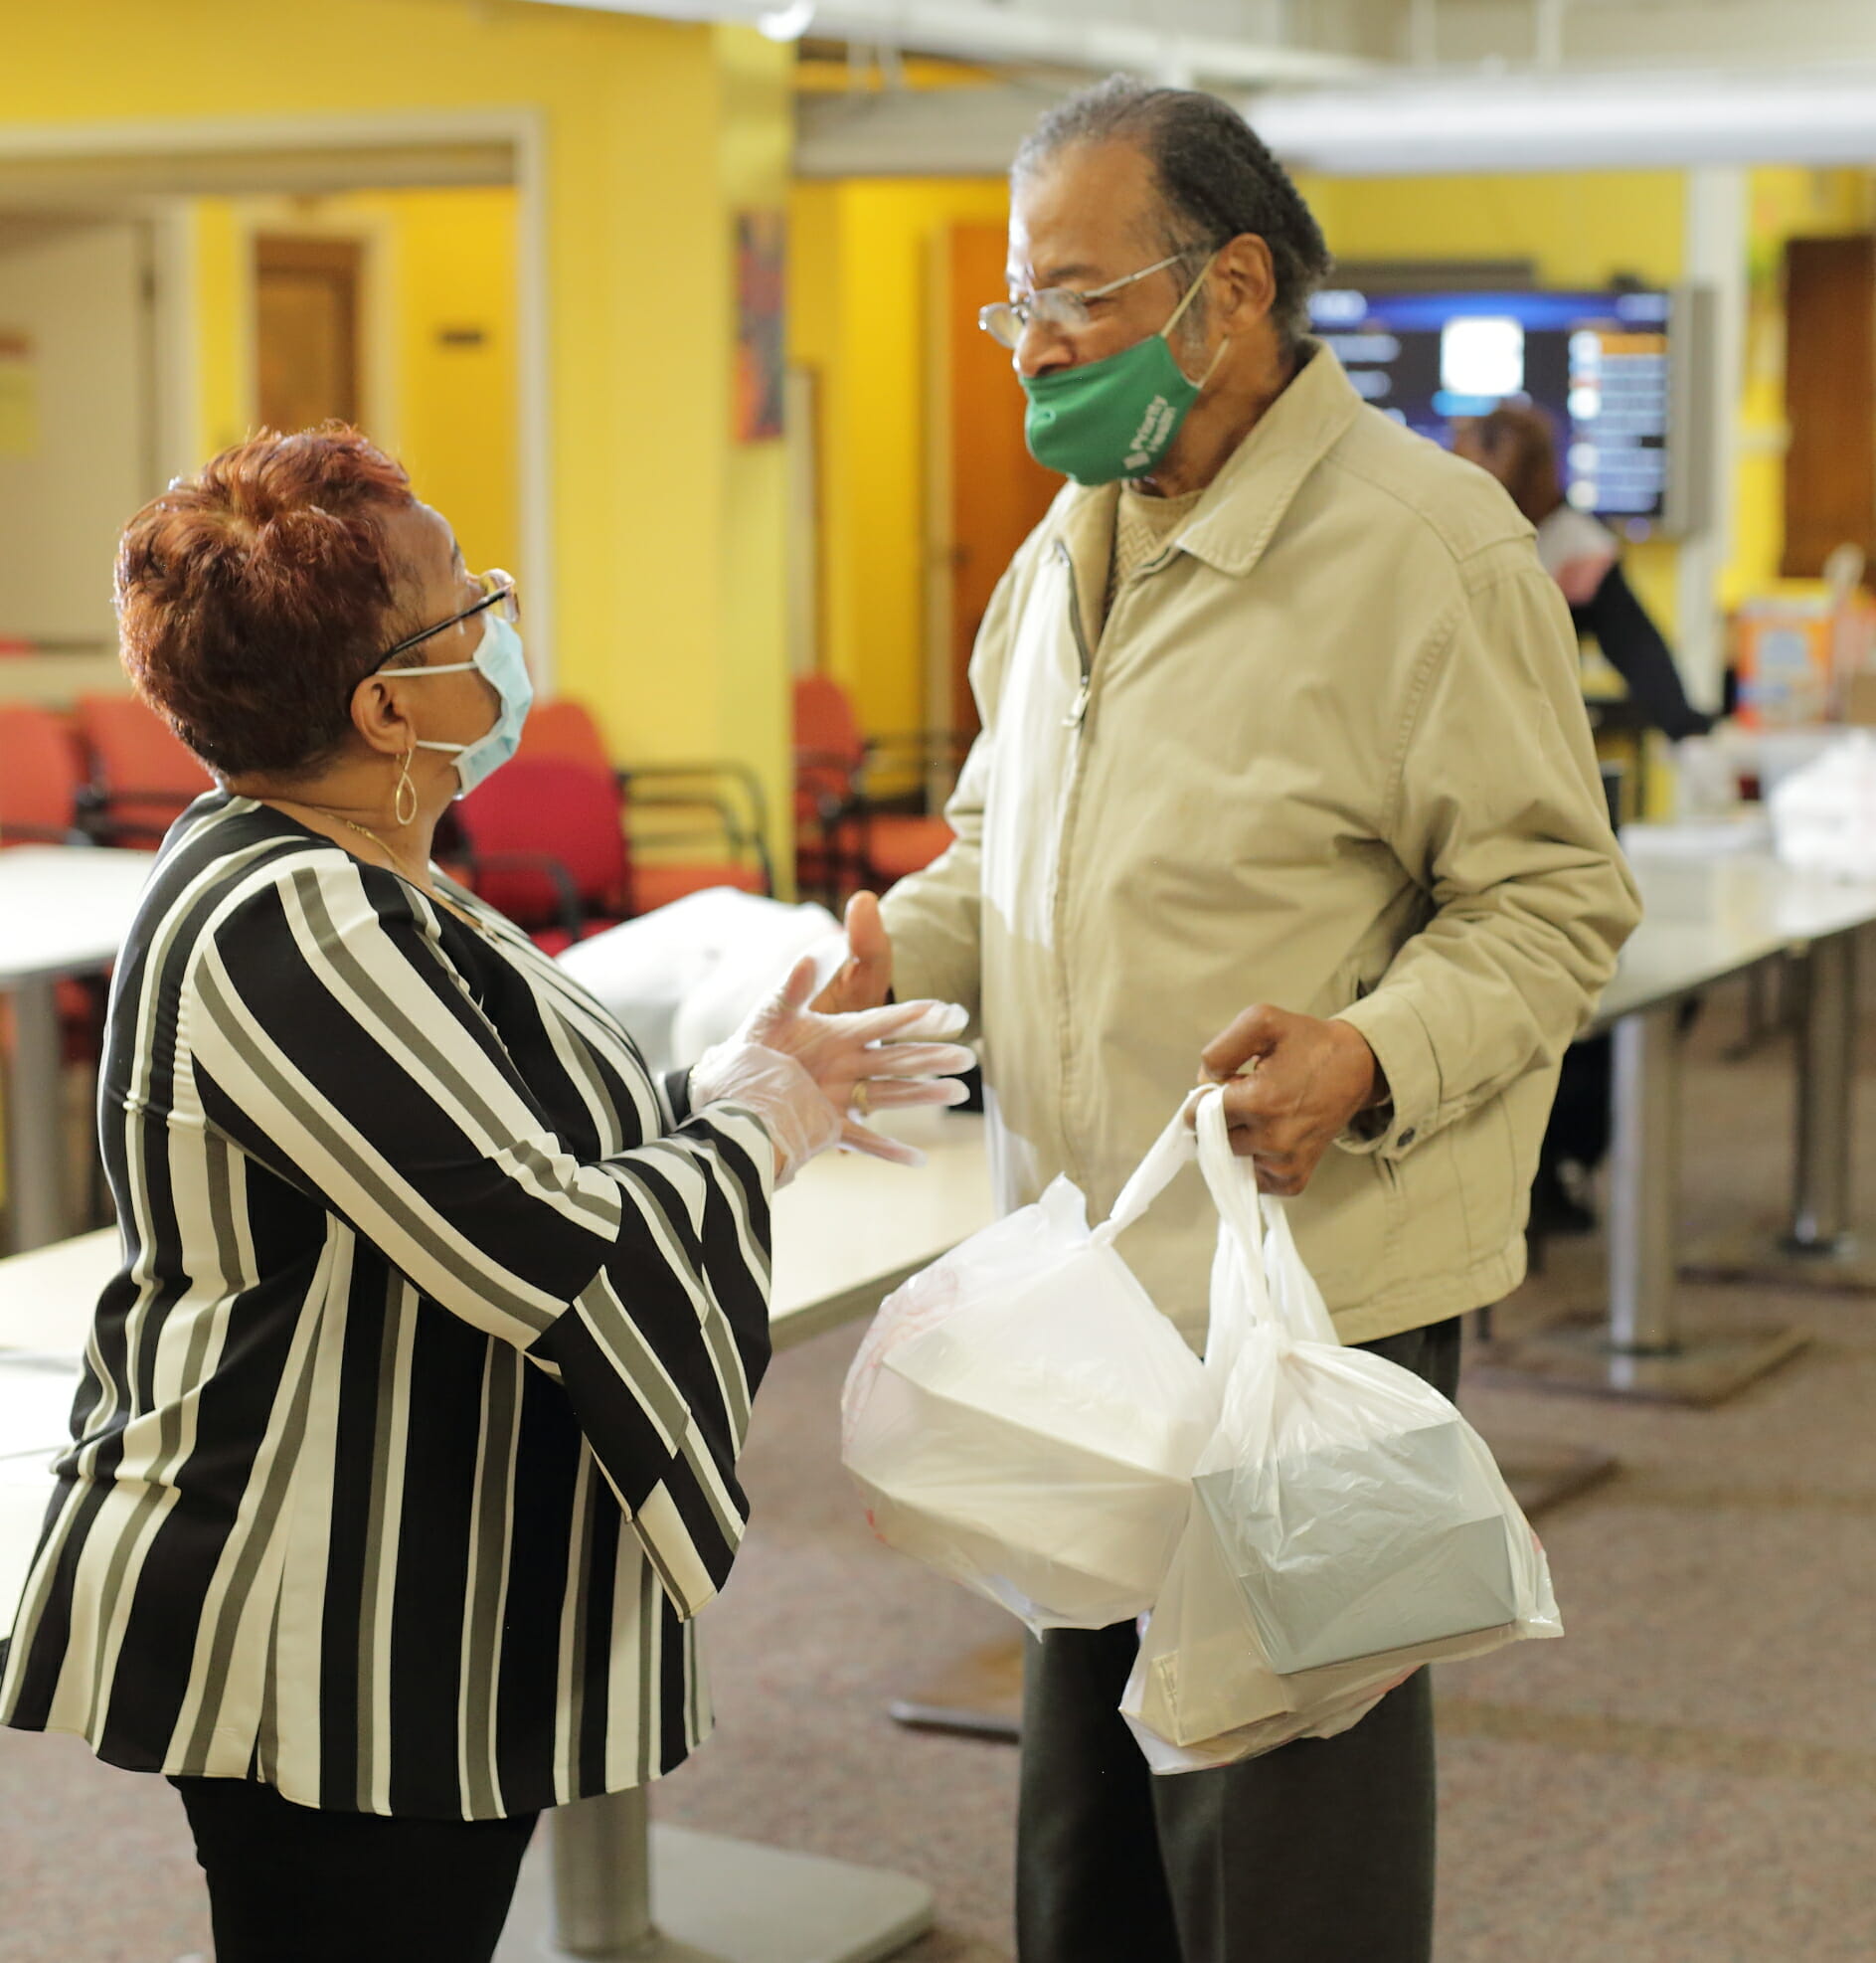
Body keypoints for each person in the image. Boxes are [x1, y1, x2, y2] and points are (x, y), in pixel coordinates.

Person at [820, 79, 1641, 1963]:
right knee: (1084, 1836)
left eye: (1071, 294)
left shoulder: (1424, 551)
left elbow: (1551, 897)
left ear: (1230, 289)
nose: (1032, 343)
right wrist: (899, 946)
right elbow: (1003, 843)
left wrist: (1372, 1050)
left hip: (1307, 1294)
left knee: (1284, 1839)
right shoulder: (1063, 547)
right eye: (1014, 303)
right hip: (1080, 1289)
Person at [0, 427, 973, 1963]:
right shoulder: (296, 916)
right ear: (390, 704)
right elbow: (555, 1246)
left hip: (400, 1598)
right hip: (317, 1617)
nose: (502, 612)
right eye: (471, 599)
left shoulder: (361, 873)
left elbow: (484, 1150)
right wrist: (757, 1117)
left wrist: (750, 1076)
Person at [1455, 400, 1711, 1230]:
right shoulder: (1428, 529)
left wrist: (1692, 738)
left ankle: (1555, 1160)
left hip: (1539, 795)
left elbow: (1641, 652)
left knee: (1588, 989)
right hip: (1448, 797)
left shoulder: (1576, 551)